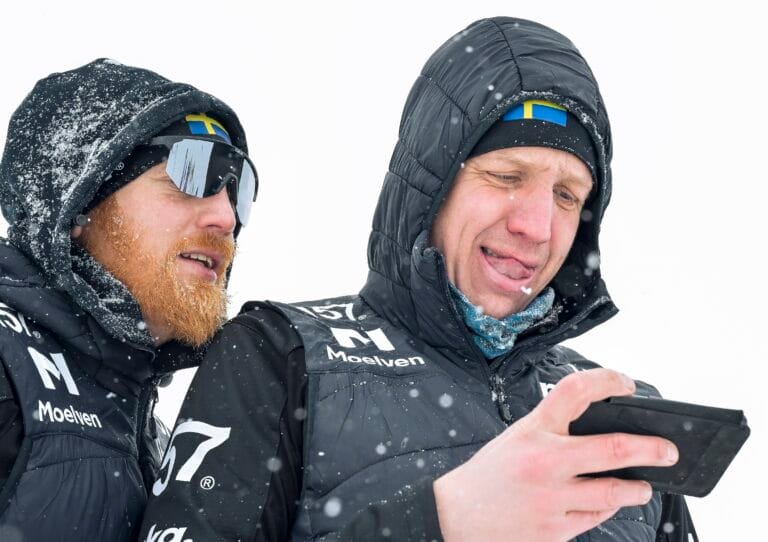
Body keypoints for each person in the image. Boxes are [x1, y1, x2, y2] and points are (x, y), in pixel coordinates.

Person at [139, 17, 697, 542]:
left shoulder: (623, 420)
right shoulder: (279, 356)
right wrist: (445, 521)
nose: (536, 225)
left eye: (567, 195)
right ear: (430, 187)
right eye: (506, 176)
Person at [0, 59, 257, 541]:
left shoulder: (153, 437)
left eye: (238, 191)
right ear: (79, 203)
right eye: (191, 174)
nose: (226, 217)